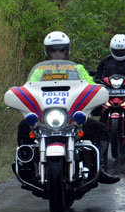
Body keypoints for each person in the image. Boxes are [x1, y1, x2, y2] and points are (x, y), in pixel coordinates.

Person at [18, 31, 119, 184]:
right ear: (48, 52)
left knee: (101, 129)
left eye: (61, 50)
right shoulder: (39, 71)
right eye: (53, 50)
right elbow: (29, 89)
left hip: (73, 119)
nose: (57, 54)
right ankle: (27, 164)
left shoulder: (77, 69)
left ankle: (101, 168)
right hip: (45, 119)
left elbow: (90, 85)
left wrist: (98, 92)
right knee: (23, 127)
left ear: (67, 50)